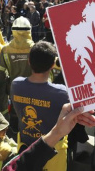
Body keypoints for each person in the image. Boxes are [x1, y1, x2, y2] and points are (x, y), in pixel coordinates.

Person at [10, 41, 69, 171]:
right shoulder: (62, 92)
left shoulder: (16, 85)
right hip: (53, 152)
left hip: (26, 148)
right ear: (53, 64)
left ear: (29, 61)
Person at [2, 103, 95, 171]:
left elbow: (21, 166)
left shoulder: (16, 85)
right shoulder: (61, 91)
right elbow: (21, 166)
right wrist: (56, 133)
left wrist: (57, 132)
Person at [0, 16, 34, 128]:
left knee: (14, 110)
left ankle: (14, 129)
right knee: (31, 111)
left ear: (13, 30)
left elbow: (0, 71)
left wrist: (5, 81)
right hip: (32, 87)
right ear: (29, 30)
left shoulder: (6, 49)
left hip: (14, 87)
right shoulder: (35, 48)